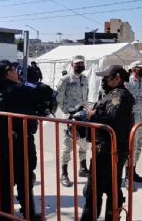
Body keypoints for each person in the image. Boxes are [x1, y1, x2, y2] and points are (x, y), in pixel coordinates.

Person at [0, 60, 53, 220]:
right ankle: (29, 214)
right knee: (24, 177)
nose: (17, 71)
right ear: (8, 72)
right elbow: (46, 90)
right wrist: (26, 83)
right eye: (14, 69)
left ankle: (5, 215)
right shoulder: (17, 88)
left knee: (5, 179)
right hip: (20, 141)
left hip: (1, 139)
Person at [80, 65, 134, 221]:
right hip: (109, 149)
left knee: (94, 190)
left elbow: (112, 121)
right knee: (111, 188)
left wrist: (91, 116)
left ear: (117, 78)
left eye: (106, 78)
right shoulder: (113, 94)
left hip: (108, 151)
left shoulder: (119, 96)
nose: (103, 81)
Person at [56, 55, 90, 187]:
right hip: (70, 117)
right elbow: (58, 97)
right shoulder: (65, 79)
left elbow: (85, 96)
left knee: (84, 143)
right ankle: (64, 173)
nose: (79, 65)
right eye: (77, 64)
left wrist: (87, 109)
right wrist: (67, 111)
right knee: (68, 146)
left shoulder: (85, 78)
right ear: (72, 65)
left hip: (83, 115)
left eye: (81, 63)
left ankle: (83, 168)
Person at [123, 61, 142, 191]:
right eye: (141, 68)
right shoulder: (127, 83)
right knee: (131, 149)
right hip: (132, 121)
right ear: (134, 69)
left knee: (138, 147)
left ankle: (133, 171)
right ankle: (127, 176)